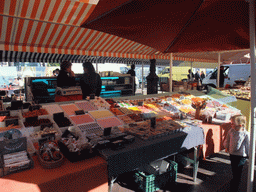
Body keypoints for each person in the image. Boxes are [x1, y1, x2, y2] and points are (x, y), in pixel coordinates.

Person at [224, 115, 249, 192]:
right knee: (234, 168)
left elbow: (248, 144)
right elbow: (227, 139)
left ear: (240, 125)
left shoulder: (245, 134)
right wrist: (226, 146)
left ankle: (235, 185)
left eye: (233, 124)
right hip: (232, 154)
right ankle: (235, 180)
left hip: (241, 156)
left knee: (238, 170)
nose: (231, 125)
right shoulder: (231, 131)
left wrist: (249, 154)